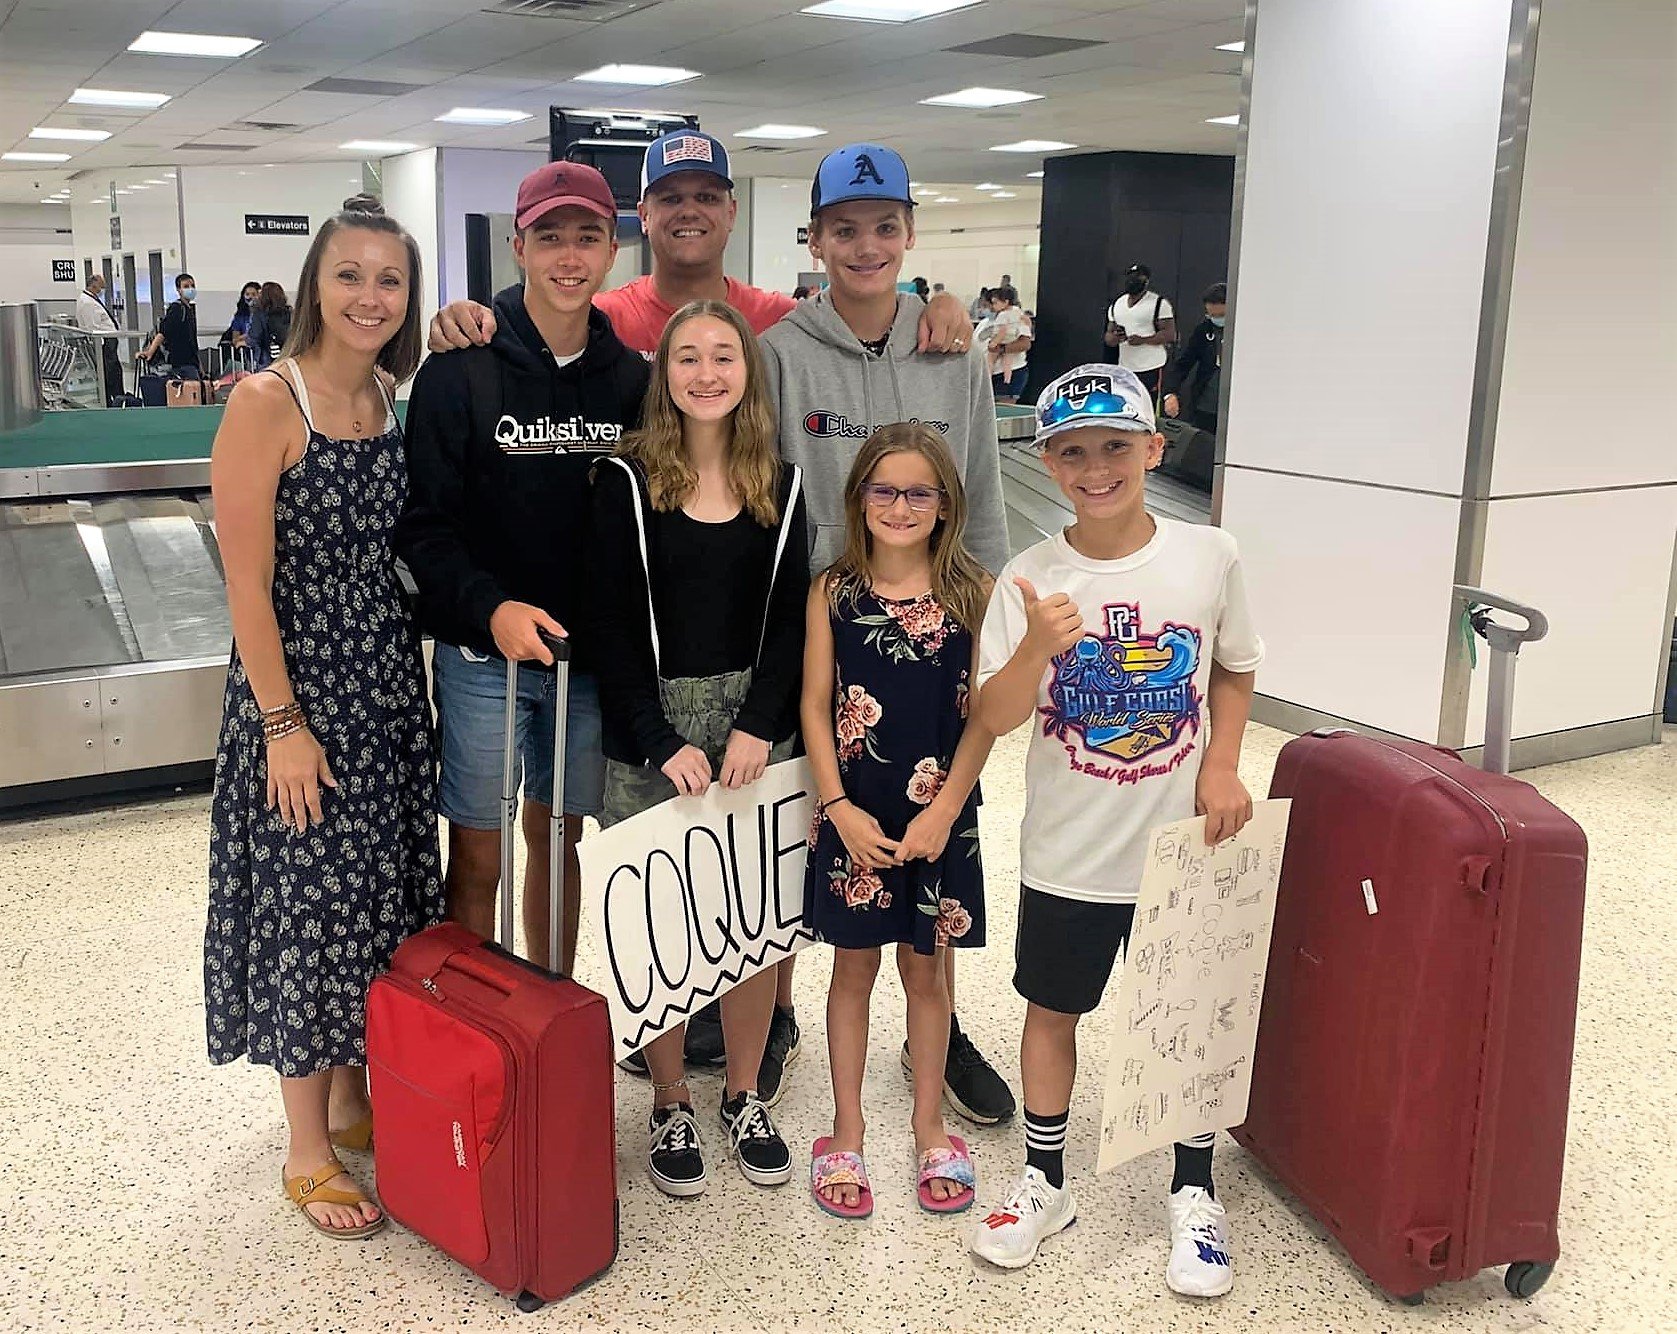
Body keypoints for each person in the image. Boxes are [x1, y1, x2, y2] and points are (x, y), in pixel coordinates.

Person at [967, 364, 1263, 1296]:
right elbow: (996, 714)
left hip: (1181, 846)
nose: (1095, 468)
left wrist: (1218, 763)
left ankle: (1192, 1189)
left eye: (1114, 447)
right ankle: (1045, 1181)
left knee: (1186, 1013)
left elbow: (1234, 666)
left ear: (1151, 450)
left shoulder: (1208, 556)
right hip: (1068, 845)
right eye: (1072, 452)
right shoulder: (1025, 576)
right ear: (1048, 462)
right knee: (1051, 1010)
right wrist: (1031, 648)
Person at [762, 141, 1016, 1129]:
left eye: (884, 226)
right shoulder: (783, 353)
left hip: (937, 654)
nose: (865, 245)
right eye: (844, 227)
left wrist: (990, 637)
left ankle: (938, 1032)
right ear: (817, 238)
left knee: (937, 847)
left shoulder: (953, 346)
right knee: (822, 853)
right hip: (827, 639)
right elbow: (767, 505)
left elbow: (984, 499)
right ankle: (780, 1016)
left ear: (909, 232)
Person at [205, 196, 443, 1241]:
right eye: (349, 275)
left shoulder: (394, 396)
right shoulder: (268, 400)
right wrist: (283, 723)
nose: (368, 296)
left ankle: (352, 1096)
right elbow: (246, 586)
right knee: (307, 901)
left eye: (387, 279)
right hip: (298, 691)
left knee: (376, 898)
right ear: (315, 284)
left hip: (385, 682)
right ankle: (307, 1145)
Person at [394, 161, 649, 976]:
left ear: (613, 252)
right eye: (549, 238)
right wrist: (490, 607)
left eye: (587, 238)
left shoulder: (635, 382)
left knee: (560, 840)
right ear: (518, 246)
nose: (567, 257)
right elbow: (423, 529)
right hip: (481, 658)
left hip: (585, 664)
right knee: (476, 850)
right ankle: (471, 1029)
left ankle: (549, 1013)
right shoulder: (458, 369)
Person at [593, 299, 809, 1197]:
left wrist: (759, 725)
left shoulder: (782, 486)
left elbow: (792, 626)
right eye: (688, 357)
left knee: (752, 928)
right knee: (664, 928)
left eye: (725, 355)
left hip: (757, 732)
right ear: (664, 373)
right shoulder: (624, 482)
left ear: (748, 373)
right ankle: (673, 1098)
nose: (707, 372)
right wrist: (657, 742)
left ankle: (746, 1091)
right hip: (655, 738)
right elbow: (610, 628)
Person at [802, 424, 995, 1220]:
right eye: (884, 490)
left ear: (945, 503)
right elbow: (814, 706)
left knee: (927, 973)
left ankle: (927, 1123)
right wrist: (836, 808)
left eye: (919, 491)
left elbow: (985, 716)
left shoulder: (971, 594)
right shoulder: (832, 592)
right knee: (853, 971)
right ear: (857, 500)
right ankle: (844, 1129)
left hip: (941, 819)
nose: (900, 505)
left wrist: (943, 812)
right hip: (855, 817)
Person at [426, 129, 972, 359]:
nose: (689, 211)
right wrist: (471, 316)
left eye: (708, 197)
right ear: (642, 216)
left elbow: (864, 330)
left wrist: (935, 308)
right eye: (670, 198)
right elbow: (530, 326)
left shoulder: (783, 324)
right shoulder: (599, 319)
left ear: (731, 212)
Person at [1103, 264, 1176, 405]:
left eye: (1137, 277)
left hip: (1152, 367)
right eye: (1130, 277)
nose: (1132, 281)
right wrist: (1115, 338)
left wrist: (1143, 340)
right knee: (1129, 405)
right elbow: (1108, 336)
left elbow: (1170, 334)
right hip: (1126, 368)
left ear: (1146, 281)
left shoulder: (1159, 303)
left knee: (1148, 406)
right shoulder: (1117, 304)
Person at [1163, 282, 1227, 432]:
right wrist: (1170, 393)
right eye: (1211, 315)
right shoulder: (1203, 330)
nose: (1216, 320)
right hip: (1206, 405)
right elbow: (1183, 364)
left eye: (1221, 316)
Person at [74, 272, 123, 404]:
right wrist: (99, 345)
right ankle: (113, 399)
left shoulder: (91, 299)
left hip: (108, 340)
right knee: (110, 373)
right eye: (101, 286)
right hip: (103, 343)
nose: (102, 290)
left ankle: (118, 398)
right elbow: (92, 327)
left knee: (115, 372)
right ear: (93, 285)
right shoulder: (87, 302)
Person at [141, 273, 202, 378]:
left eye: (192, 286)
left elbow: (193, 342)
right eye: (186, 286)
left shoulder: (189, 309)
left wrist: (200, 367)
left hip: (191, 362)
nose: (190, 289)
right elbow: (163, 332)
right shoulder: (176, 309)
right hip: (180, 363)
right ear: (179, 290)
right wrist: (150, 351)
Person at [982, 285, 1032, 404]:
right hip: (988, 375)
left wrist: (1001, 348)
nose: (989, 308)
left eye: (994, 303)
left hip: (1010, 373)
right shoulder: (984, 323)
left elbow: (1025, 344)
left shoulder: (1018, 318)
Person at [247, 282, 292, 370]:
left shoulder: (259, 314)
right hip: (288, 355)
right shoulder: (290, 313)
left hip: (267, 357)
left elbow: (254, 336)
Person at [220, 281, 261, 354]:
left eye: (254, 294)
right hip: (245, 351)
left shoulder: (262, 315)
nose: (250, 297)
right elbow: (235, 339)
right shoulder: (239, 316)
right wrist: (248, 336)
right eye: (247, 294)